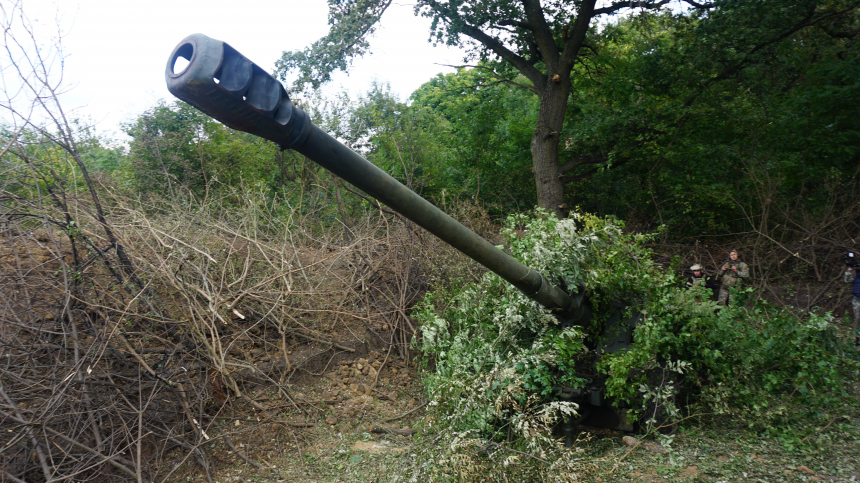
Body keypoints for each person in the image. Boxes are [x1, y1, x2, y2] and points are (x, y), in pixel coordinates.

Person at [843, 258, 860, 347]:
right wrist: (850, 270)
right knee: (858, 319)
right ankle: (857, 339)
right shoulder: (856, 271)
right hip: (858, 300)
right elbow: (847, 281)